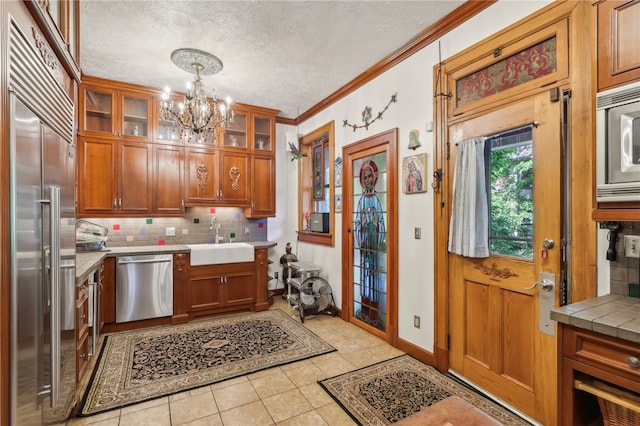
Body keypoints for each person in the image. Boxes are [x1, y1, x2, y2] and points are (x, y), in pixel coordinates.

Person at [354, 160, 386, 324]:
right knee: (364, 276)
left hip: (373, 243)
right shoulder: (361, 201)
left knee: (373, 278)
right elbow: (357, 222)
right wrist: (361, 230)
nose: (367, 180)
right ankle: (364, 311)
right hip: (365, 244)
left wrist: (375, 227)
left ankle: (374, 315)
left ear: (374, 178)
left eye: (369, 177)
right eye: (364, 177)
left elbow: (381, 221)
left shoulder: (376, 200)